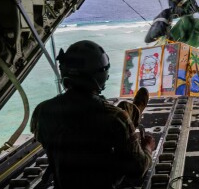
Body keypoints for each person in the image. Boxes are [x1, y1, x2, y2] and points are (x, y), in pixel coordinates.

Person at [31, 40, 155, 189]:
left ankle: (133, 111)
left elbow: (46, 141)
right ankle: (135, 112)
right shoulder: (114, 117)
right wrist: (148, 147)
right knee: (122, 114)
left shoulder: (42, 110)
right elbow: (138, 169)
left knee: (122, 110)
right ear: (102, 74)